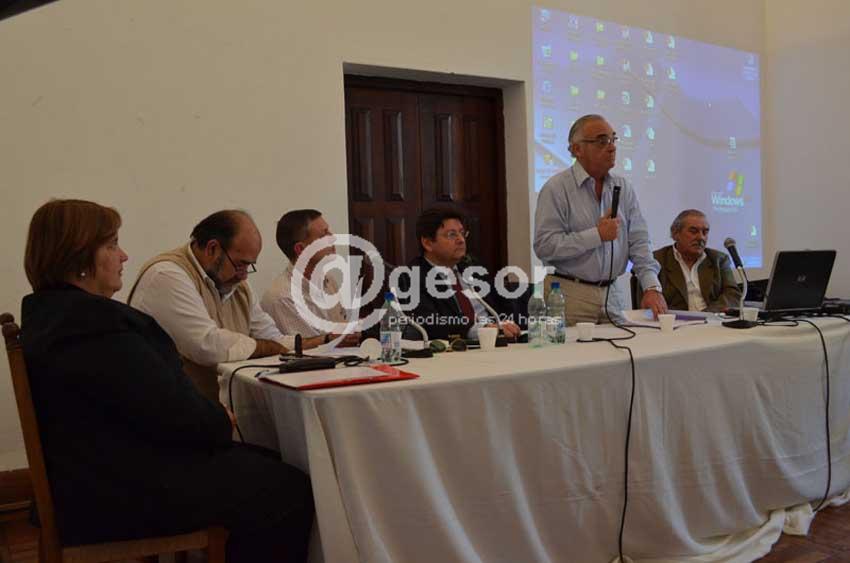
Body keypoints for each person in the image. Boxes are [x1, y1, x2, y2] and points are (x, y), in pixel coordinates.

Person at [20, 199, 313, 563]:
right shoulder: (95, 324)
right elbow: (170, 409)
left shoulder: (53, 316)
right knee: (290, 488)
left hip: (95, 475)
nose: (124, 256)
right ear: (79, 257)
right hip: (118, 489)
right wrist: (220, 420)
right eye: (111, 245)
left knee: (269, 464)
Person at [128, 210, 293, 402]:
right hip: (172, 415)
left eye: (249, 266)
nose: (244, 275)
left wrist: (317, 343)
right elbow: (207, 345)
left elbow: (270, 337)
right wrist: (267, 347)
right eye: (241, 264)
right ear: (212, 249)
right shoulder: (166, 275)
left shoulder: (237, 284)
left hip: (219, 411)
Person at [534, 113, 667, 324]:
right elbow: (545, 247)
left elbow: (639, 242)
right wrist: (597, 235)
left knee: (624, 355)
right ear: (577, 149)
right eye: (601, 141)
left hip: (612, 293)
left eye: (613, 139)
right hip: (569, 294)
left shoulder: (623, 187)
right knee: (574, 357)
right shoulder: (556, 189)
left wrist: (651, 287)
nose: (612, 147)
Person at [397, 205, 521, 342]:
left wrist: (507, 325)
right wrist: (483, 330)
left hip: (498, 344)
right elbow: (431, 323)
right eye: (452, 235)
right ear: (427, 243)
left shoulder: (473, 268)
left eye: (462, 233)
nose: (461, 240)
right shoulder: (410, 278)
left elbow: (504, 305)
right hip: (456, 351)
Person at [261, 209, 360, 349]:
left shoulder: (328, 279)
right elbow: (312, 352)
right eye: (324, 235)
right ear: (301, 249)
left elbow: (341, 331)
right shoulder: (282, 297)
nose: (333, 238)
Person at [653, 209, 742, 312]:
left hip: (712, 321)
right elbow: (651, 301)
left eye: (705, 232)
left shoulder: (718, 259)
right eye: (693, 231)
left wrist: (706, 314)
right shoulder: (657, 260)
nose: (701, 237)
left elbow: (733, 294)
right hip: (675, 323)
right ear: (675, 233)